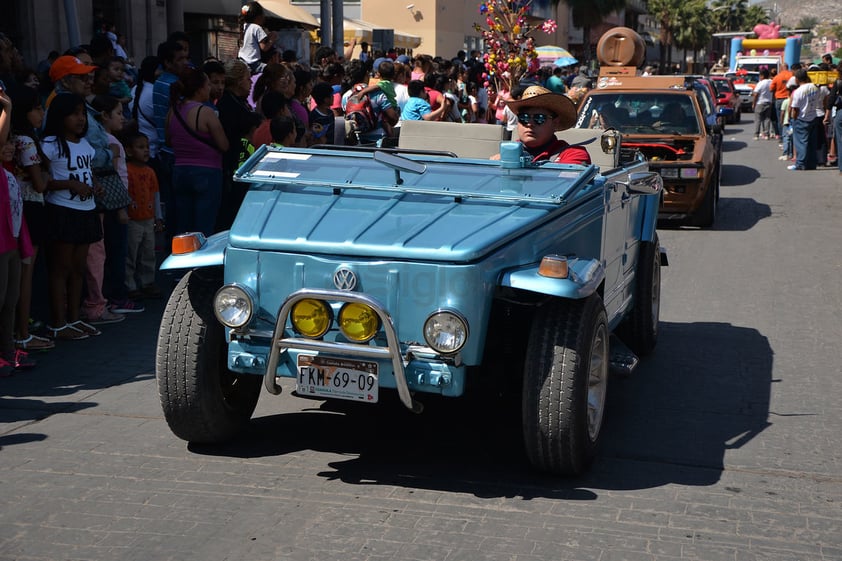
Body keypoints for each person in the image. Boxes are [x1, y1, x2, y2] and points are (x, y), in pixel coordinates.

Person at [40, 94, 103, 340]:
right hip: (62, 211)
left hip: (86, 211)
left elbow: (87, 170)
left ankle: (74, 319)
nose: (80, 118)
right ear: (59, 116)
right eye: (74, 113)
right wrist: (71, 185)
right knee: (60, 269)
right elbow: (41, 181)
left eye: (82, 113)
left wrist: (94, 184)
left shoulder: (84, 143)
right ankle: (58, 322)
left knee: (78, 269)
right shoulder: (50, 144)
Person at [8, 86, 53, 352]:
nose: (41, 112)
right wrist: (47, 178)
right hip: (31, 207)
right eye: (36, 108)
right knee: (25, 275)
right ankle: (22, 334)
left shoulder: (23, 138)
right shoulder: (25, 141)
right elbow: (39, 183)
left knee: (24, 274)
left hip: (24, 208)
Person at [166, 67, 229, 236]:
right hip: (207, 173)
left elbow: (169, 140)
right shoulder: (205, 112)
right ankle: (200, 261)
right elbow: (223, 145)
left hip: (180, 171)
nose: (210, 88)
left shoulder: (173, 112)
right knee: (204, 227)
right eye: (208, 84)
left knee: (183, 226)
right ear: (199, 88)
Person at [89, 95, 136, 318]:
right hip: (113, 203)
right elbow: (113, 176)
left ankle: (114, 295)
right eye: (118, 113)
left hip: (112, 203)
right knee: (115, 251)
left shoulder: (109, 140)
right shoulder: (109, 142)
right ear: (104, 117)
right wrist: (120, 207)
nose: (122, 117)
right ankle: (116, 296)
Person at [0, 91, 37, 372]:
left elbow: (17, 214)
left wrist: (23, 246)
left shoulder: (9, 176)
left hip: (11, 245)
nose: (8, 145)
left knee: (9, 302)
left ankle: (9, 351)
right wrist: (8, 108)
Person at [493, 85, 591, 165]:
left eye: (539, 118)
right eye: (524, 117)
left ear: (555, 123)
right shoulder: (508, 152)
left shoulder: (574, 154)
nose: (529, 124)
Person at [122, 131, 163, 300]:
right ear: (129, 151)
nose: (145, 150)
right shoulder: (127, 170)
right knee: (131, 253)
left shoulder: (150, 172)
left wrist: (158, 218)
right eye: (140, 147)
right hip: (133, 219)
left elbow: (156, 195)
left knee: (148, 252)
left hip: (148, 218)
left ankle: (148, 282)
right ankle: (130, 284)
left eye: (146, 147)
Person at [788, 69, 822, 171]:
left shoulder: (798, 91)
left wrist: (793, 119)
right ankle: (812, 163)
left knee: (801, 142)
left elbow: (795, 109)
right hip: (813, 116)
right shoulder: (815, 87)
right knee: (812, 142)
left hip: (802, 119)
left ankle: (800, 163)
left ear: (797, 79)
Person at [237, 1, 277, 75]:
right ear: (259, 17)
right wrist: (272, 38)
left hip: (242, 60)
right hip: (253, 62)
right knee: (272, 71)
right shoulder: (257, 28)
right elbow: (264, 47)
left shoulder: (243, 26)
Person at [752, 68, 774, 140]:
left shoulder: (760, 83)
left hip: (760, 103)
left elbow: (755, 94)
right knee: (767, 119)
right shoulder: (771, 82)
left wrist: (753, 103)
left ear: (762, 76)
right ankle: (767, 134)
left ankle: (756, 134)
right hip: (769, 102)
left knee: (758, 119)